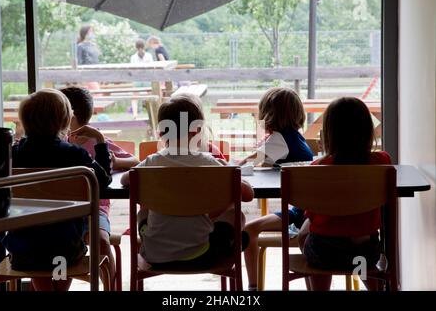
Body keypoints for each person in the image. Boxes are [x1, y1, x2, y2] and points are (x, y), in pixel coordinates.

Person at [120, 96, 254, 269]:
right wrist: (229, 170)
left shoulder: (151, 162)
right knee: (236, 214)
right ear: (197, 131)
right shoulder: (209, 162)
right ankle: (225, 243)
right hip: (201, 255)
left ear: (161, 133)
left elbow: (125, 179)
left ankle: (156, 240)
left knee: (144, 211)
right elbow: (248, 195)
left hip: (154, 256)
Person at [2, 88, 112, 291]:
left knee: (38, 247)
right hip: (66, 251)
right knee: (59, 246)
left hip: (23, 253)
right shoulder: (75, 155)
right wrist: (101, 144)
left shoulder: (12, 155)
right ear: (64, 120)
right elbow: (102, 182)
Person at [297, 97, 391, 291]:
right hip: (365, 253)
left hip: (324, 254)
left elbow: (312, 214)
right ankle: (374, 287)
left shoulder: (318, 168)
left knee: (304, 233)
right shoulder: (382, 162)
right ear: (367, 131)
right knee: (358, 251)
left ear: (330, 133)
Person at [61, 86, 139, 288]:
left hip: (95, 209)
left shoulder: (96, 141)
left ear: (70, 115)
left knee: (102, 241)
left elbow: (135, 160)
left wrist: (118, 162)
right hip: (63, 213)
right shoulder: (57, 142)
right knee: (59, 246)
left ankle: (110, 286)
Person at [240, 87, 313, 291]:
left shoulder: (279, 140)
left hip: (300, 215)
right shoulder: (295, 137)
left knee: (248, 230)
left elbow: (247, 164)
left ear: (268, 114)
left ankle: (253, 287)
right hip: (309, 210)